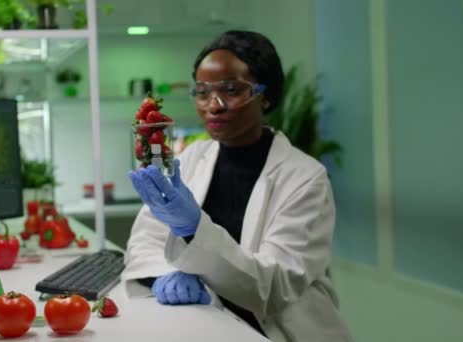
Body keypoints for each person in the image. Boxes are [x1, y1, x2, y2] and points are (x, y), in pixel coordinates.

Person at [122, 30, 353, 342]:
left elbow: (271, 286)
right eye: (202, 92)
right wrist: (165, 274)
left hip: (278, 333)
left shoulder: (305, 178)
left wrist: (194, 229)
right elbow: (144, 242)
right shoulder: (190, 159)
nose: (213, 105)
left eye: (232, 90)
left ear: (266, 96)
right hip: (208, 327)